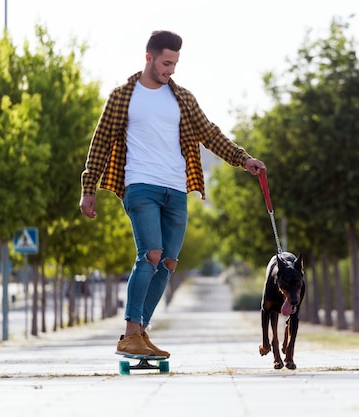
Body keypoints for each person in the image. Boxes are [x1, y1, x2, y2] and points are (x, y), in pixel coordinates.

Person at [79, 30, 265, 357]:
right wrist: (88, 187)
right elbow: (101, 143)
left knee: (167, 262)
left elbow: (210, 133)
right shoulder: (123, 96)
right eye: (166, 62)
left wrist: (242, 158)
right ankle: (129, 332)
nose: (171, 70)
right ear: (148, 57)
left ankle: (140, 332)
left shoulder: (183, 99)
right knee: (149, 254)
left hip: (176, 189)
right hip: (139, 185)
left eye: (175, 63)